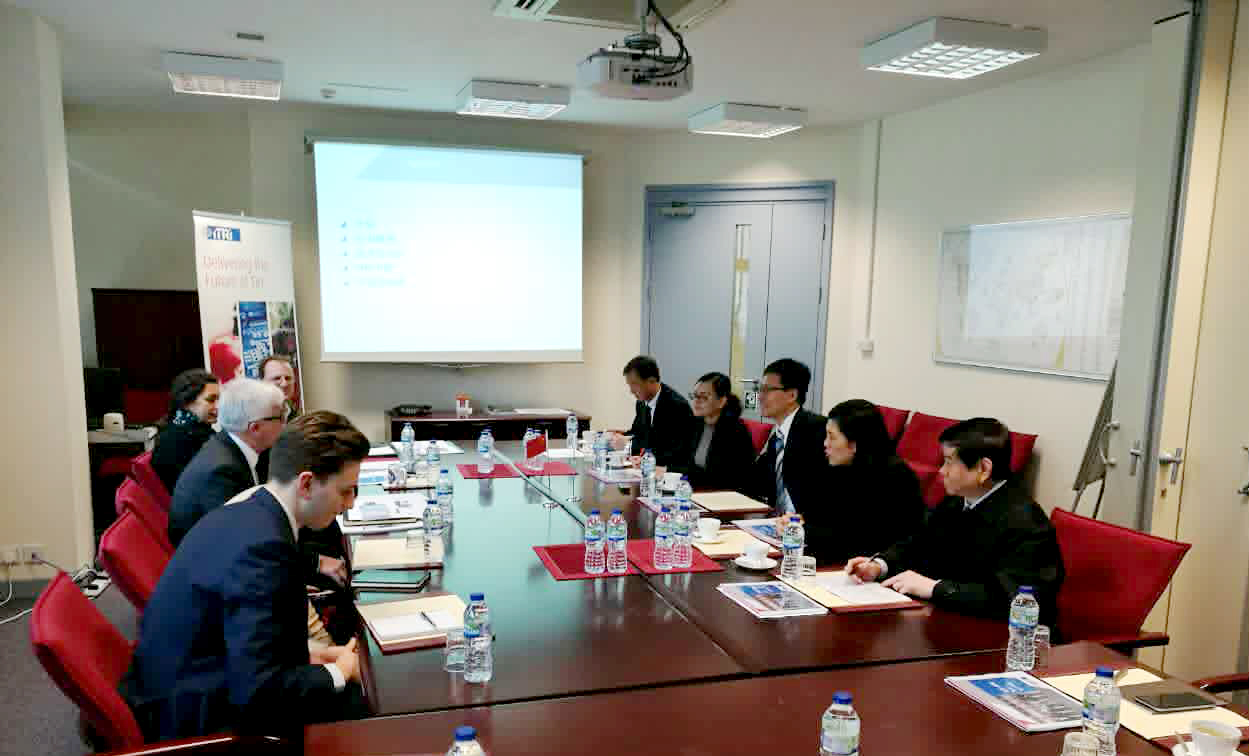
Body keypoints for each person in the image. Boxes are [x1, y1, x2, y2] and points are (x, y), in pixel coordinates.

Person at [121, 411, 371, 741]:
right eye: (346, 491)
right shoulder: (264, 550)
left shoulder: (250, 511)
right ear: (307, 483)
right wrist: (338, 672)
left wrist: (313, 655)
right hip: (199, 720)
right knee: (371, 708)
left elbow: (248, 640)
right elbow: (260, 692)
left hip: (192, 681)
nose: (350, 503)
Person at [846, 417, 1065, 627]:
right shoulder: (957, 502)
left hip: (998, 636)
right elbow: (918, 544)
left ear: (983, 469)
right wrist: (879, 565)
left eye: (949, 462)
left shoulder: (1027, 524)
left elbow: (1013, 598)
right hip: (943, 621)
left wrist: (935, 588)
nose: (942, 471)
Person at [803, 399, 925, 563]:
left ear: (854, 444)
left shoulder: (895, 479)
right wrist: (796, 521)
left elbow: (858, 539)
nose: (825, 443)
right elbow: (818, 514)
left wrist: (804, 531)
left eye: (832, 437)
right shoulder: (839, 467)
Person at [168, 378, 284, 548]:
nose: (284, 424)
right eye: (280, 417)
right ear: (255, 428)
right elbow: (244, 539)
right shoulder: (221, 472)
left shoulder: (230, 446)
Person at [749, 358, 828, 515]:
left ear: (792, 395)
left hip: (803, 523)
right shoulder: (777, 437)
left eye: (767, 390)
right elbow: (755, 481)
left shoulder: (816, 431)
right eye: (760, 389)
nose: (760, 396)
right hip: (777, 520)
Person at [668, 372, 755, 491]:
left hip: (723, 495)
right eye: (695, 396)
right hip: (694, 489)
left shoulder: (735, 431)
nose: (696, 401)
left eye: (704, 397)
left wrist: (674, 471)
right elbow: (681, 457)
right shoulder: (696, 423)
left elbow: (719, 477)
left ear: (721, 402)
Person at [612, 355, 694, 468]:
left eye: (634, 384)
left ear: (651, 380)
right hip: (645, 466)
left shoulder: (676, 406)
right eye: (629, 385)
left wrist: (629, 446)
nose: (631, 391)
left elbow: (671, 450)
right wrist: (620, 438)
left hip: (667, 470)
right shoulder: (641, 402)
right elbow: (638, 432)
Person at [149, 369, 220, 495]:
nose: (218, 406)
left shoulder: (201, 431)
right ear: (186, 402)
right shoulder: (174, 441)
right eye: (211, 400)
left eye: (219, 400)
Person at [260, 354, 299, 422]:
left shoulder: (296, 417)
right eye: (277, 378)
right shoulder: (251, 418)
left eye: (288, 378)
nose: (284, 384)